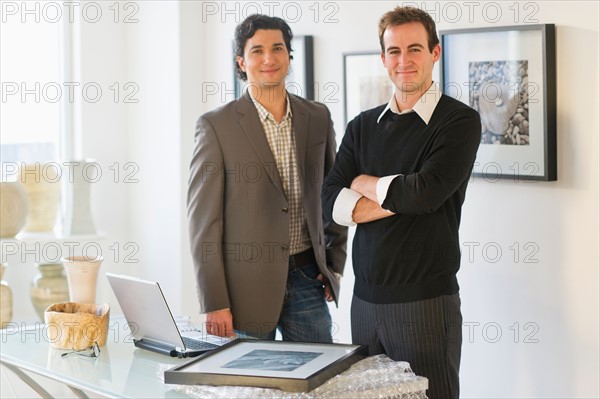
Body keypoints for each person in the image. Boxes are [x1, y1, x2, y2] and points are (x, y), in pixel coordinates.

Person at [321, 6, 481, 399]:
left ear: (435, 53)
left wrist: (363, 183)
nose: (404, 61)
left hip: (425, 304)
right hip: (364, 304)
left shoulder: (457, 122)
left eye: (414, 49)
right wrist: (402, 194)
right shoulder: (362, 125)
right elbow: (330, 201)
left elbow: (426, 193)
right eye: (394, 51)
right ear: (383, 58)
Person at [187, 14, 347, 342]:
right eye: (257, 50)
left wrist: (335, 265)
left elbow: (334, 194)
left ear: (289, 56)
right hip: (243, 290)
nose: (269, 58)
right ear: (241, 62)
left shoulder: (317, 117)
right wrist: (214, 301)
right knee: (250, 389)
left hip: (308, 279)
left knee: (317, 386)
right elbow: (204, 224)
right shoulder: (216, 126)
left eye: (277, 48)